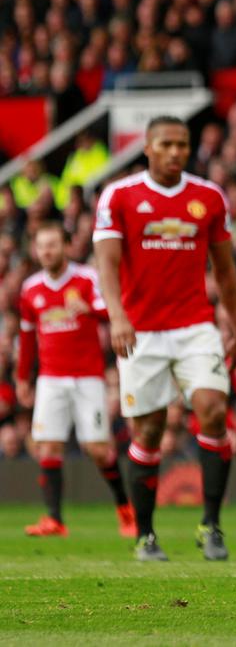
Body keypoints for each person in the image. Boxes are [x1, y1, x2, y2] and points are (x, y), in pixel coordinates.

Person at [93, 116, 236, 561]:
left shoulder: (208, 197)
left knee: (213, 410)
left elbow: (225, 268)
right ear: (147, 147)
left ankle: (211, 526)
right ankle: (145, 534)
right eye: (166, 144)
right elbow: (105, 264)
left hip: (195, 325)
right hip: (140, 330)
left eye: (182, 144)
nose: (176, 152)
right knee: (149, 429)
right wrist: (117, 316)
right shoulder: (119, 196)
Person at [18, 222, 136, 538]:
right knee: (48, 447)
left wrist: (89, 309)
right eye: (41, 245)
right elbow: (27, 336)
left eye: (53, 244)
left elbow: (109, 310)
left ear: (67, 246)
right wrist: (22, 377)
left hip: (87, 378)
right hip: (51, 379)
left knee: (98, 450)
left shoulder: (87, 279)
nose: (46, 251)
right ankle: (54, 519)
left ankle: (125, 508)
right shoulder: (31, 289)